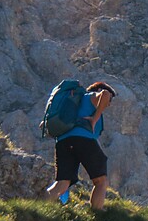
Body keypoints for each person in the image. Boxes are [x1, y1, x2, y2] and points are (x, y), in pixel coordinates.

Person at [44, 80, 116, 211]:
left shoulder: (73, 103)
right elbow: (105, 94)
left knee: (62, 183)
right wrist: (95, 118)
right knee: (101, 181)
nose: (109, 104)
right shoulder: (92, 97)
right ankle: (97, 214)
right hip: (84, 140)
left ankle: (39, 209)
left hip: (63, 141)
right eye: (111, 100)